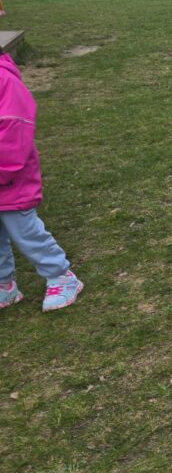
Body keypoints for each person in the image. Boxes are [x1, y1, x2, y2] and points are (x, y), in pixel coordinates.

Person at [0, 53, 84, 311]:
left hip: (11, 181)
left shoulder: (5, 82)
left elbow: (14, 134)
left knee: (26, 233)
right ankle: (5, 285)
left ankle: (60, 275)